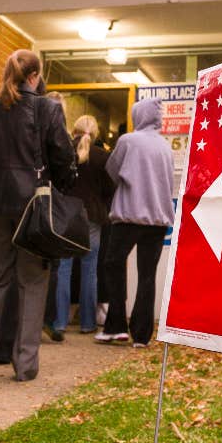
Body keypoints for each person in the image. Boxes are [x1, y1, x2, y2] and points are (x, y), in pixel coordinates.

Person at [0, 50, 76, 382]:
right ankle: (25, 364)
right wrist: (61, 186)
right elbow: (63, 157)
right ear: (35, 76)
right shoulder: (48, 108)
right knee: (32, 280)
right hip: (34, 205)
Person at [96, 98, 174, 348]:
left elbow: (112, 169)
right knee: (147, 275)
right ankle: (142, 335)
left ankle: (116, 326)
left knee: (113, 264)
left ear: (137, 115)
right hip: (158, 218)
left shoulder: (128, 141)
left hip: (129, 215)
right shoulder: (165, 147)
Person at [51, 115, 115, 337]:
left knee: (64, 268)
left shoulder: (63, 152)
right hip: (93, 218)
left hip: (66, 216)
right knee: (90, 269)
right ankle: (88, 323)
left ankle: (59, 322)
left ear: (74, 130)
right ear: (95, 133)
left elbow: (56, 182)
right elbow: (110, 189)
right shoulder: (103, 157)